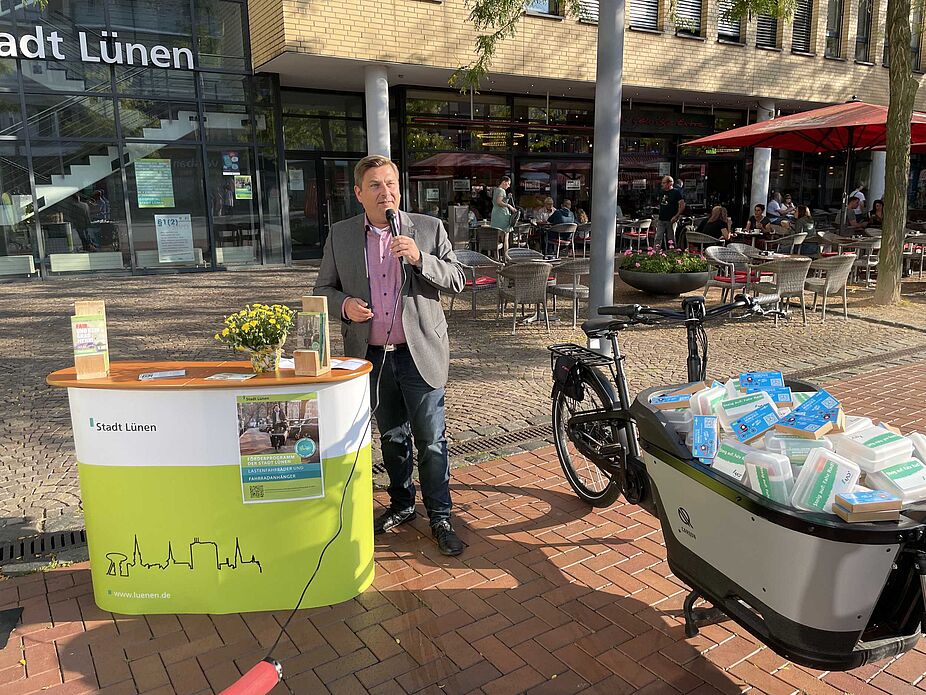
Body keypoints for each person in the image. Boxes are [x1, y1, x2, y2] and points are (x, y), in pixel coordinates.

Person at [313, 155, 466, 556]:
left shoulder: (428, 229)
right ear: (359, 193)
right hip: (372, 356)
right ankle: (402, 505)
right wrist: (344, 306)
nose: (387, 193)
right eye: (376, 186)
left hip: (420, 354)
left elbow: (458, 279)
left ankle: (441, 515)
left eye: (392, 184)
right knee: (393, 438)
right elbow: (322, 290)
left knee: (431, 441)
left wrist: (420, 259)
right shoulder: (341, 235)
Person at [656, 175, 684, 247]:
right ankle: (655, 253)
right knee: (658, 238)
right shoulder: (661, 192)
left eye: (664, 183)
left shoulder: (676, 192)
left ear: (670, 183)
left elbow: (682, 205)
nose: (662, 184)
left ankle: (672, 254)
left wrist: (676, 216)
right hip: (661, 219)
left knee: (671, 239)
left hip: (671, 219)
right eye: (662, 183)